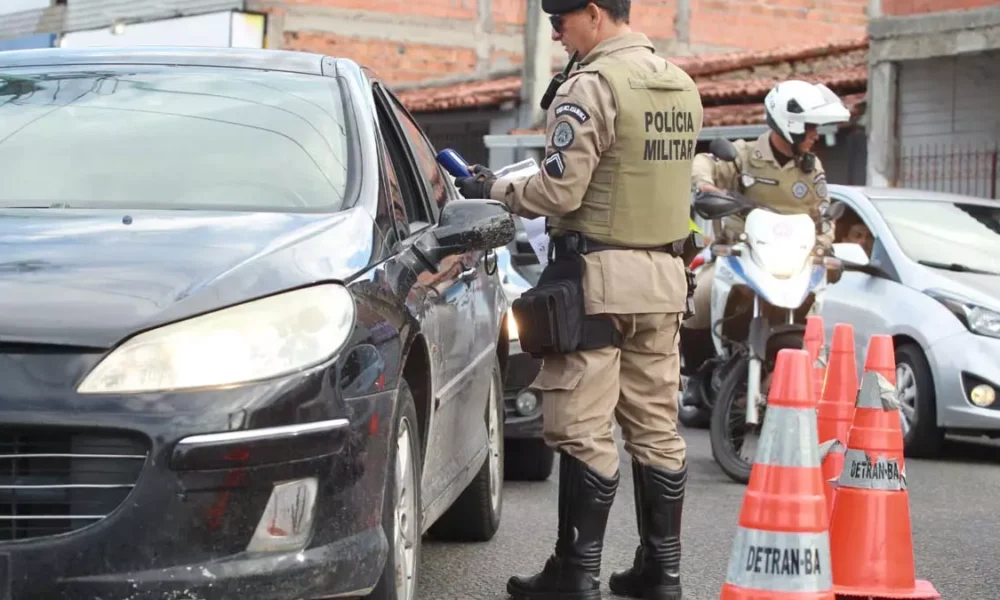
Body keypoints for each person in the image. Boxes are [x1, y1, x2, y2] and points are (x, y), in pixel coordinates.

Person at [455, 1, 703, 598]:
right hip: (666, 281)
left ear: (594, 13)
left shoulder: (591, 85)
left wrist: (496, 188)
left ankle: (575, 574)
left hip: (598, 283)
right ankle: (660, 574)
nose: (556, 31)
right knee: (656, 428)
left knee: (582, 428)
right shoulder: (680, 83)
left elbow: (561, 192)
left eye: (561, 18)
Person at [679, 79, 851, 403]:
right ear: (790, 125)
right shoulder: (745, 155)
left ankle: (780, 381)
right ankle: (694, 375)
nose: (816, 134)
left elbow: (823, 215)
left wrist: (825, 242)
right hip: (742, 256)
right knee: (697, 299)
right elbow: (704, 162)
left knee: (812, 309)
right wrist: (704, 184)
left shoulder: (812, 169)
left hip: (791, 263)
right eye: (810, 127)